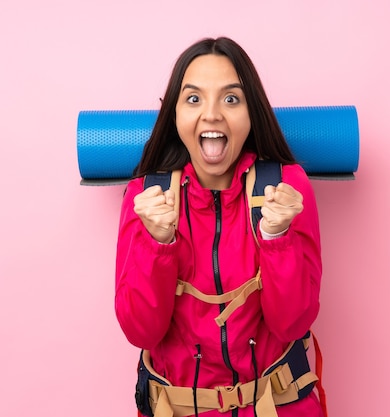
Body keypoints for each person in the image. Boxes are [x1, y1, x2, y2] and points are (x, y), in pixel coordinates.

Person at [115, 37, 324, 417]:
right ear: (175, 115)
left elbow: (292, 323)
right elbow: (141, 332)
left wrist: (277, 238)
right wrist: (156, 244)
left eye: (231, 99)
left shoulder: (287, 190)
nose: (212, 114)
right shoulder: (145, 198)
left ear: (251, 113)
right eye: (194, 99)